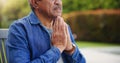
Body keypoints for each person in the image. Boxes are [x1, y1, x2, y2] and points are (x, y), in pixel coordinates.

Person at [6, 0, 86, 63]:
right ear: (35, 2)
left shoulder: (64, 27)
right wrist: (57, 49)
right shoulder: (19, 29)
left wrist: (70, 49)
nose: (58, 2)